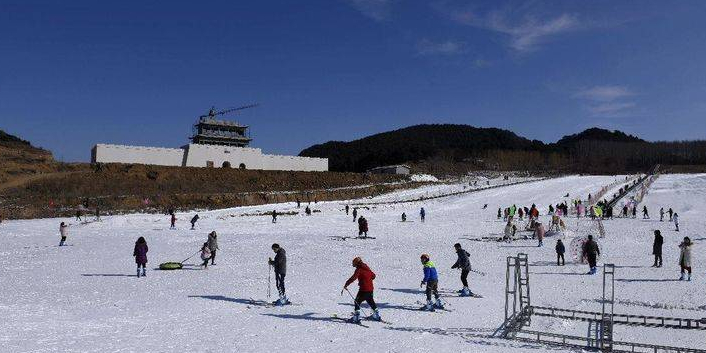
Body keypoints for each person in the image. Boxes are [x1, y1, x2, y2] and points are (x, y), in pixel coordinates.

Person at [343, 257, 380, 323]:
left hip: (364, 289)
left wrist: (346, 284)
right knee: (370, 301)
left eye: (354, 263)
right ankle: (376, 316)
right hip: (370, 289)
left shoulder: (359, 269)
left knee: (357, 301)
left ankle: (356, 318)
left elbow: (353, 278)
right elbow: (373, 276)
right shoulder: (367, 267)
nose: (353, 264)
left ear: (356, 263)